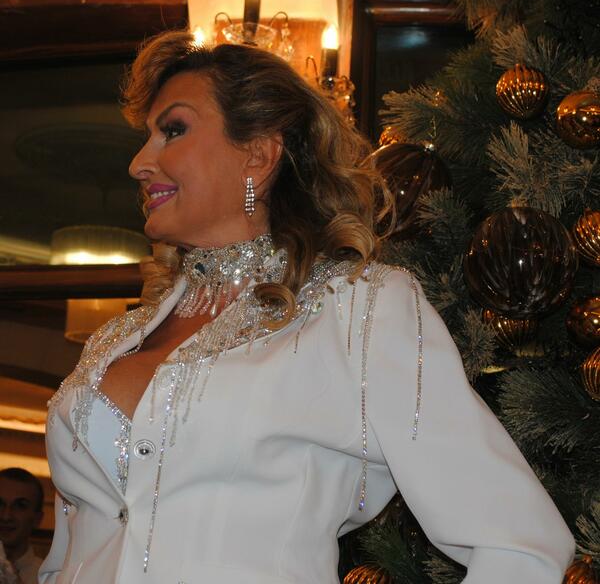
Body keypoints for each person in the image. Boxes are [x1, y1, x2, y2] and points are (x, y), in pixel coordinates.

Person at [40, 30, 575, 584]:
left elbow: (521, 545)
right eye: (146, 138)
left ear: (258, 153)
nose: (138, 163)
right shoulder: (113, 340)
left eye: (172, 130)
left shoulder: (360, 310)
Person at [0, 468, 44, 584]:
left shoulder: (50, 578)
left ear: (37, 519)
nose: (6, 516)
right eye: (0, 504)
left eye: (20, 506)